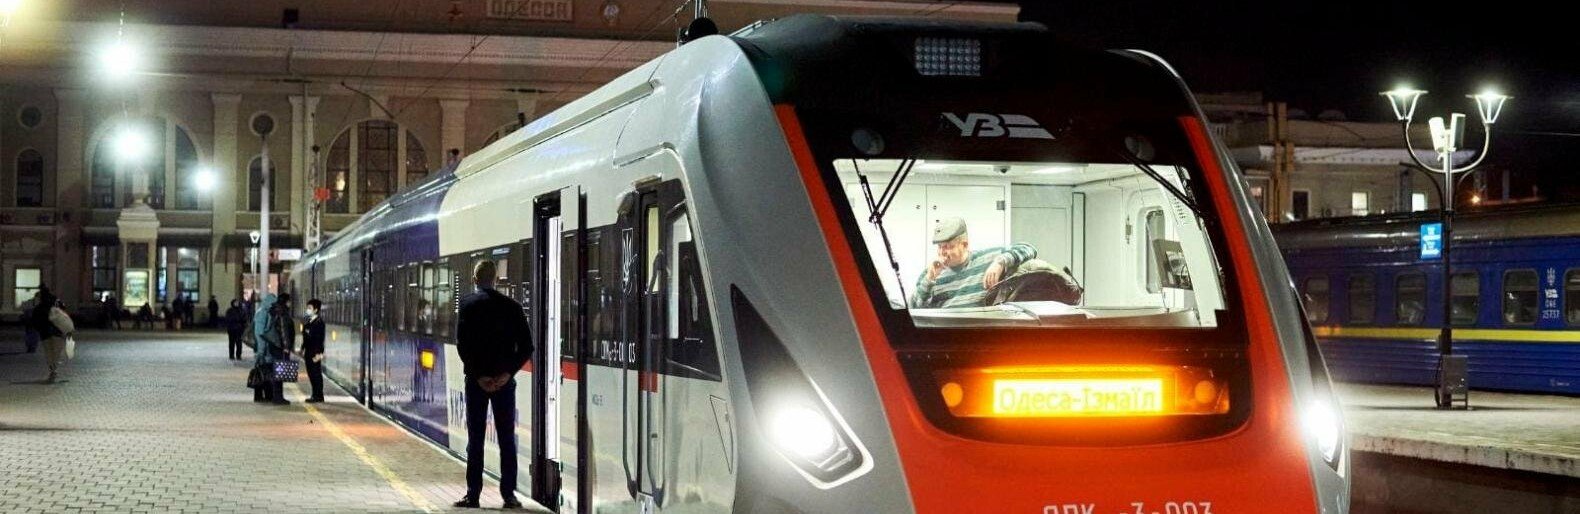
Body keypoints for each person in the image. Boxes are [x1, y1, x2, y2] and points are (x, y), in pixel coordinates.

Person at [453, 260, 532, 509]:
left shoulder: (467, 305)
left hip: (477, 383)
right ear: (496, 279)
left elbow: (462, 345)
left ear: (475, 280)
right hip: (504, 383)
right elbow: (527, 347)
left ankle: (473, 494)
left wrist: (479, 376)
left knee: (475, 439)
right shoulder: (512, 307)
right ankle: (508, 495)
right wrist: (507, 373)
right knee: (506, 439)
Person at [910, 217, 1038, 309]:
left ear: (965, 245)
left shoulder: (987, 258)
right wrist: (929, 279)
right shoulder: (930, 273)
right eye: (939, 247)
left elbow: (1028, 248)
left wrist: (1000, 262)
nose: (942, 253)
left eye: (948, 247)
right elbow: (913, 309)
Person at [252, 294, 290, 405]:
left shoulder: (267, 312)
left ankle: (268, 395)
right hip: (265, 349)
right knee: (263, 372)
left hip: (268, 349)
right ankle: (260, 395)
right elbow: (259, 333)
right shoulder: (263, 313)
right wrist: (261, 351)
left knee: (267, 372)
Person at [33, 291, 73, 383]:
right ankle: (54, 370)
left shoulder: (39, 308)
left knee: (49, 353)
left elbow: (35, 321)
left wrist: (40, 329)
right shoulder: (57, 306)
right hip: (57, 333)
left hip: (45, 334)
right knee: (56, 353)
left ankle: (52, 371)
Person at [300, 298, 326, 402]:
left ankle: (318, 395)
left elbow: (320, 339)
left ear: (316, 310)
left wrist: (319, 353)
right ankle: (315, 394)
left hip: (315, 352)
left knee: (315, 373)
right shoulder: (308, 321)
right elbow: (306, 337)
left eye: (310, 308)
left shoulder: (319, 322)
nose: (308, 310)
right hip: (308, 351)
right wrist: (302, 348)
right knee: (311, 373)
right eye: (307, 308)